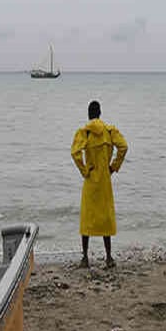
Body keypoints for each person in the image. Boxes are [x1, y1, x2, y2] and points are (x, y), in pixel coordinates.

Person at [70, 100, 128, 268]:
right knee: (106, 219)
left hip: (90, 180)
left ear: (89, 115)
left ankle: (85, 258)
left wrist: (84, 170)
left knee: (86, 219)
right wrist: (113, 166)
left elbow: (75, 153)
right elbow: (123, 147)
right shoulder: (110, 131)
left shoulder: (85, 132)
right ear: (100, 113)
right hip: (104, 179)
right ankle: (109, 257)